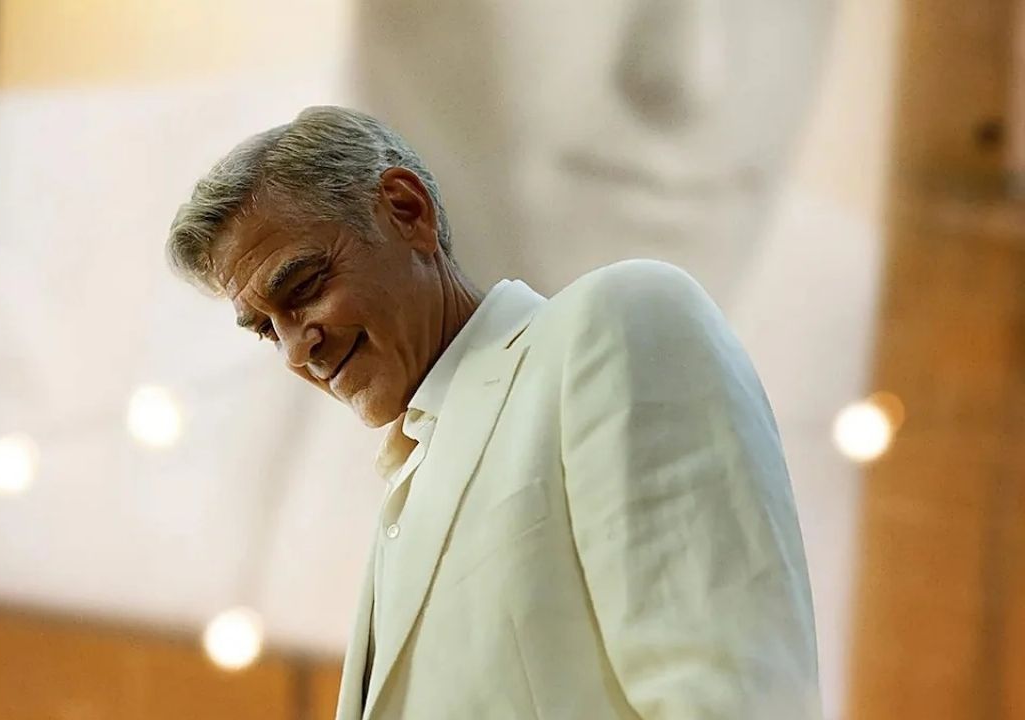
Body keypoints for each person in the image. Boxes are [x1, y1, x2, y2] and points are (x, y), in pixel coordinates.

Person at [166, 106, 821, 719]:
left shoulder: (618, 320)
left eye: (305, 286)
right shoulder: (405, 487)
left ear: (407, 210)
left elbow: (729, 693)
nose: (294, 349)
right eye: (266, 329)